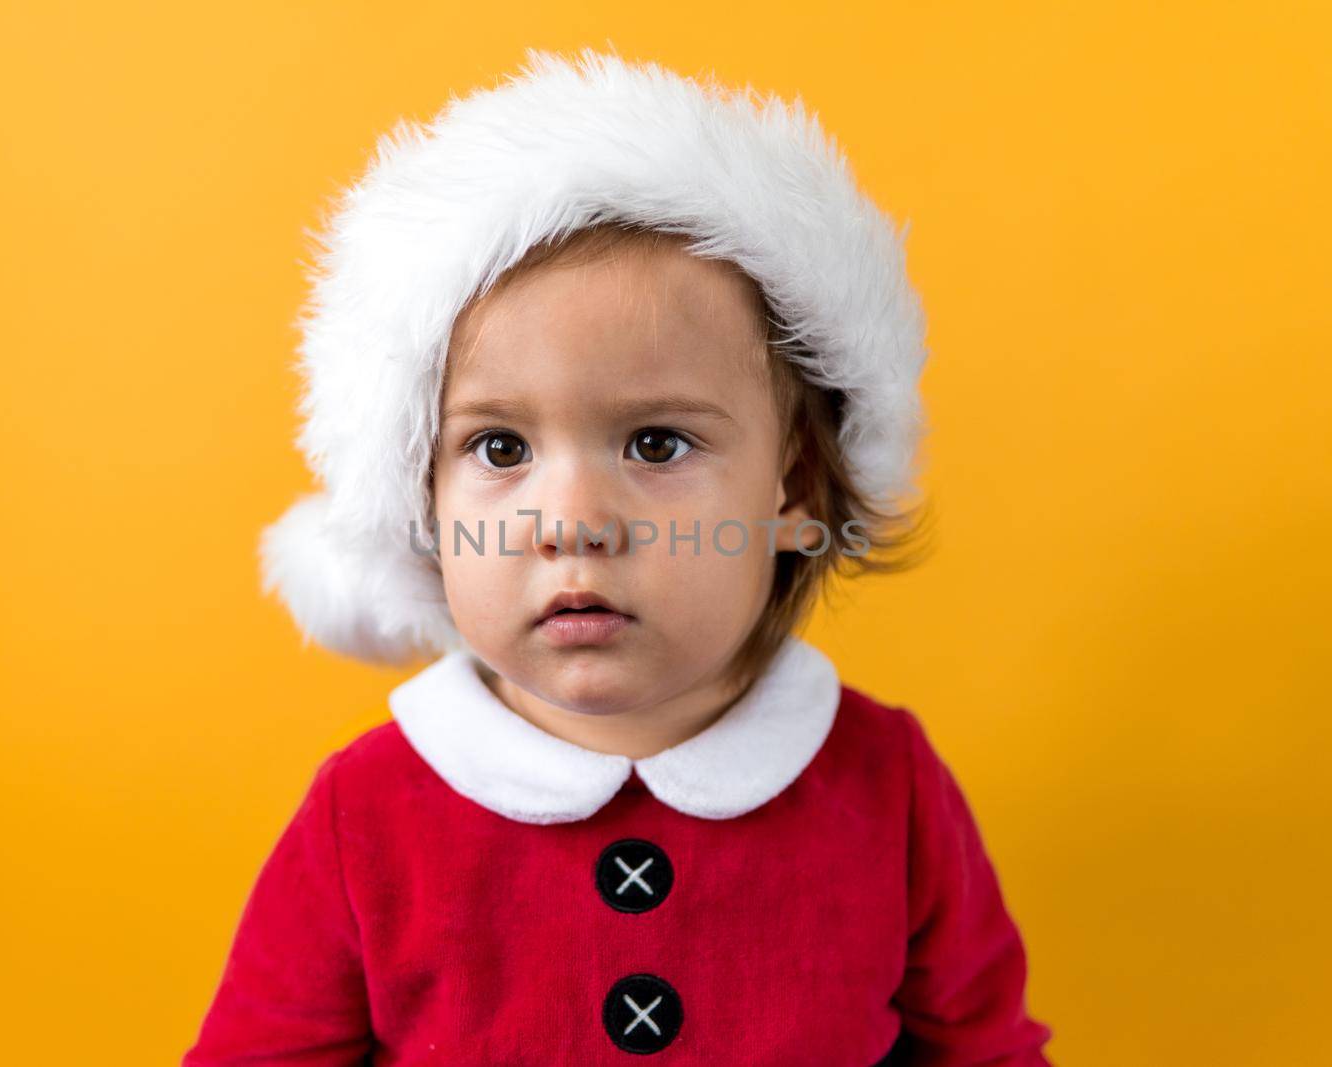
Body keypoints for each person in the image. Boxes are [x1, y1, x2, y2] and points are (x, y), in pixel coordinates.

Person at [183, 47, 1055, 1066]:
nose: (573, 520)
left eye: (655, 443)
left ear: (794, 490)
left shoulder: (882, 787)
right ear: (419, 499)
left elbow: (986, 1048)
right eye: (499, 448)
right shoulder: (367, 813)